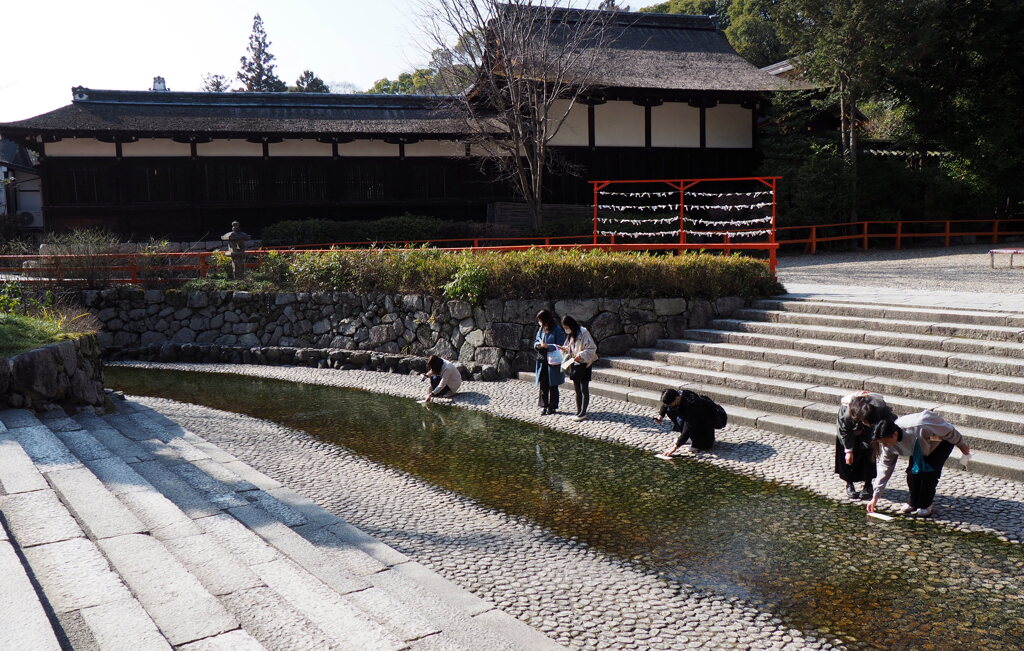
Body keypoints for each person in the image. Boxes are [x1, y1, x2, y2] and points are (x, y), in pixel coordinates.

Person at [853, 402, 971, 517]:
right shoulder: (887, 445)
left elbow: (948, 431)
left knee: (929, 474)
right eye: (881, 443)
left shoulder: (919, 424)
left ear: (894, 434)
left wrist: (961, 444)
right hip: (917, 448)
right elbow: (885, 467)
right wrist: (875, 497)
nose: (885, 445)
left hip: (939, 441)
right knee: (912, 473)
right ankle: (913, 502)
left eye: (885, 442)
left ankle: (925, 505)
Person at [835, 391, 893, 500]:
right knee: (848, 457)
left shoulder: (879, 408)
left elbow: (889, 420)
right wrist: (849, 451)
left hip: (870, 428)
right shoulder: (846, 413)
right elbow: (844, 431)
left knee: (869, 453)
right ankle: (849, 483)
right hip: (848, 431)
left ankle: (868, 484)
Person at [558, 314, 598, 421]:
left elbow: (592, 348)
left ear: (571, 325)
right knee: (577, 388)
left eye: (566, 327)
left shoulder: (583, 333)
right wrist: (564, 349)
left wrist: (580, 355)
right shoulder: (571, 335)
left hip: (585, 364)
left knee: (584, 388)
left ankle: (583, 412)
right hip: (575, 364)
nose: (566, 330)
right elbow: (570, 347)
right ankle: (579, 410)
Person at [653, 388, 716, 457]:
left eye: (671, 404)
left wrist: (675, 448)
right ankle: (690, 438)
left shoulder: (691, 404)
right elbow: (666, 405)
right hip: (692, 421)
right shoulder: (678, 394)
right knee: (670, 410)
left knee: (696, 438)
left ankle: (698, 443)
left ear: (676, 399)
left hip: (705, 432)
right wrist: (660, 417)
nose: (670, 405)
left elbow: (689, 427)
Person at [533, 309, 566, 415]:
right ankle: (543, 406)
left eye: (541, 320)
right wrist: (537, 345)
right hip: (543, 359)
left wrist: (549, 346)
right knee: (543, 384)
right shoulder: (540, 329)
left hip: (553, 360)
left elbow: (561, 345)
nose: (540, 323)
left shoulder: (557, 330)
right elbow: (536, 340)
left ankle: (552, 407)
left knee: (553, 384)